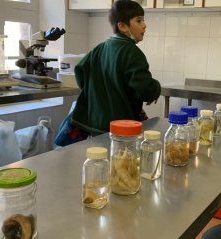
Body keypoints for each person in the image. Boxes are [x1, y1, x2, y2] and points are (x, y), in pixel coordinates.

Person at [55, 0, 161, 146]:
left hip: (94, 123)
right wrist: (156, 88)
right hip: (120, 125)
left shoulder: (100, 48)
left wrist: (96, 94)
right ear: (123, 26)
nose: (144, 25)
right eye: (139, 20)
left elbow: (80, 71)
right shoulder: (132, 52)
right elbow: (145, 89)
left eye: (143, 20)